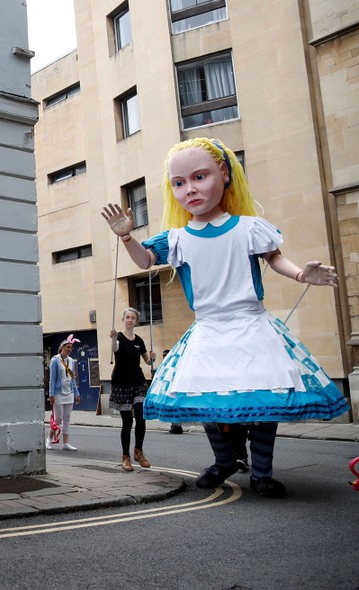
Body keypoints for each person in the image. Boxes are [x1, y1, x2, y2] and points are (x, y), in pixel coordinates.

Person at [101, 137, 349, 497]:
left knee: (267, 401)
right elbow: (145, 262)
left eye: (199, 177)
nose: (190, 190)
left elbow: (275, 258)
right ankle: (224, 461)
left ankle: (262, 472)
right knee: (206, 401)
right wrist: (126, 238)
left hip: (252, 325)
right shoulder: (178, 238)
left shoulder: (249, 227)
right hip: (208, 330)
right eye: (179, 183)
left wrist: (300, 275)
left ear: (225, 174)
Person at [109, 307, 156, 471]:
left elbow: (147, 362)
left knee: (141, 417)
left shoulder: (139, 340)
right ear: (124, 319)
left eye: (133, 318)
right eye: (127, 317)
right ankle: (125, 457)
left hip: (138, 381)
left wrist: (152, 359)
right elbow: (115, 349)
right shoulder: (119, 337)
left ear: (136, 321)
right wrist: (113, 338)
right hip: (122, 383)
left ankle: (138, 452)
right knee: (127, 422)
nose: (130, 320)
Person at [48, 334, 82, 451]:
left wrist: (76, 393)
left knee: (67, 418)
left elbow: (72, 378)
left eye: (71, 347)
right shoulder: (55, 360)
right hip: (58, 393)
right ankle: (49, 439)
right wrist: (51, 394)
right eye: (67, 347)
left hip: (69, 393)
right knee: (58, 419)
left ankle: (65, 443)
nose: (69, 349)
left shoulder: (71, 361)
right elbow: (52, 379)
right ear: (62, 347)